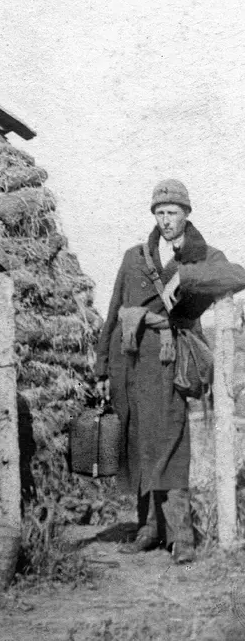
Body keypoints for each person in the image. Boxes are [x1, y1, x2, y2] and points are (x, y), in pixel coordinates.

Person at [95, 179, 245, 564]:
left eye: (173, 213)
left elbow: (238, 275)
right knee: (138, 440)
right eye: (160, 213)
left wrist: (187, 277)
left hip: (169, 360)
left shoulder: (202, 255)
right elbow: (114, 310)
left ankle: (182, 536)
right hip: (128, 361)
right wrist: (100, 364)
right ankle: (147, 529)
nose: (166, 221)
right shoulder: (134, 256)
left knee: (172, 442)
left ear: (186, 214)